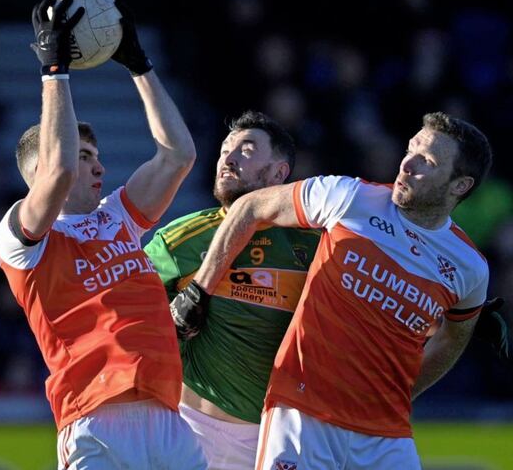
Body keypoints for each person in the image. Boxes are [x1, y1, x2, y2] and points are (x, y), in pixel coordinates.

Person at [171, 112, 494, 469]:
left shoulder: (469, 268)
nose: (406, 164)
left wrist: (402, 394)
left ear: (459, 186)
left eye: (427, 161)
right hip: (301, 412)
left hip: (384, 431)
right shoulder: (349, 197)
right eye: (410, 149)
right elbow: (250, 206)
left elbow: (454, 337)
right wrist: (199, 290)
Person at [0, 0, 206, 469]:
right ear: (35, 171)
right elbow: (59, 172)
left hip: (167, 415)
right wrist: (55, 73)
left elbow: (178, 156)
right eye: (86, 155)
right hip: (95, 417)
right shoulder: (21, 239)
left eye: (95, 155)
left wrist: (140, 66)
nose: (99, 166)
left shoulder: (118, 217)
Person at [144, 111, 321, 469]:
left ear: (278, 174)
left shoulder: (314, 247)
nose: (229, 157)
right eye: (226, 148)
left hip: (278, 436)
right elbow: (126, 314)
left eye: (247, 149)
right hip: (190, 429)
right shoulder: (180, 239)